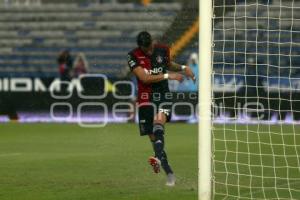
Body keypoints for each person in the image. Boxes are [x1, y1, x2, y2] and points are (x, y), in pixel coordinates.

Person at [127, 31, 195, 186]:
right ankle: (168, 171)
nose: (149, 51)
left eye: (150, 47)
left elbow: (169, 64)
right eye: (145, 49)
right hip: (145, 97)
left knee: (159, 121)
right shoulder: (132, 56)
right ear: (140, 47)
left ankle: (161, 163)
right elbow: (144, 78)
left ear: (152, 42)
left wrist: (184, 67)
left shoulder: (162, 49)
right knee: (153, 137)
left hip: (162, 94)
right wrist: (168, 76)